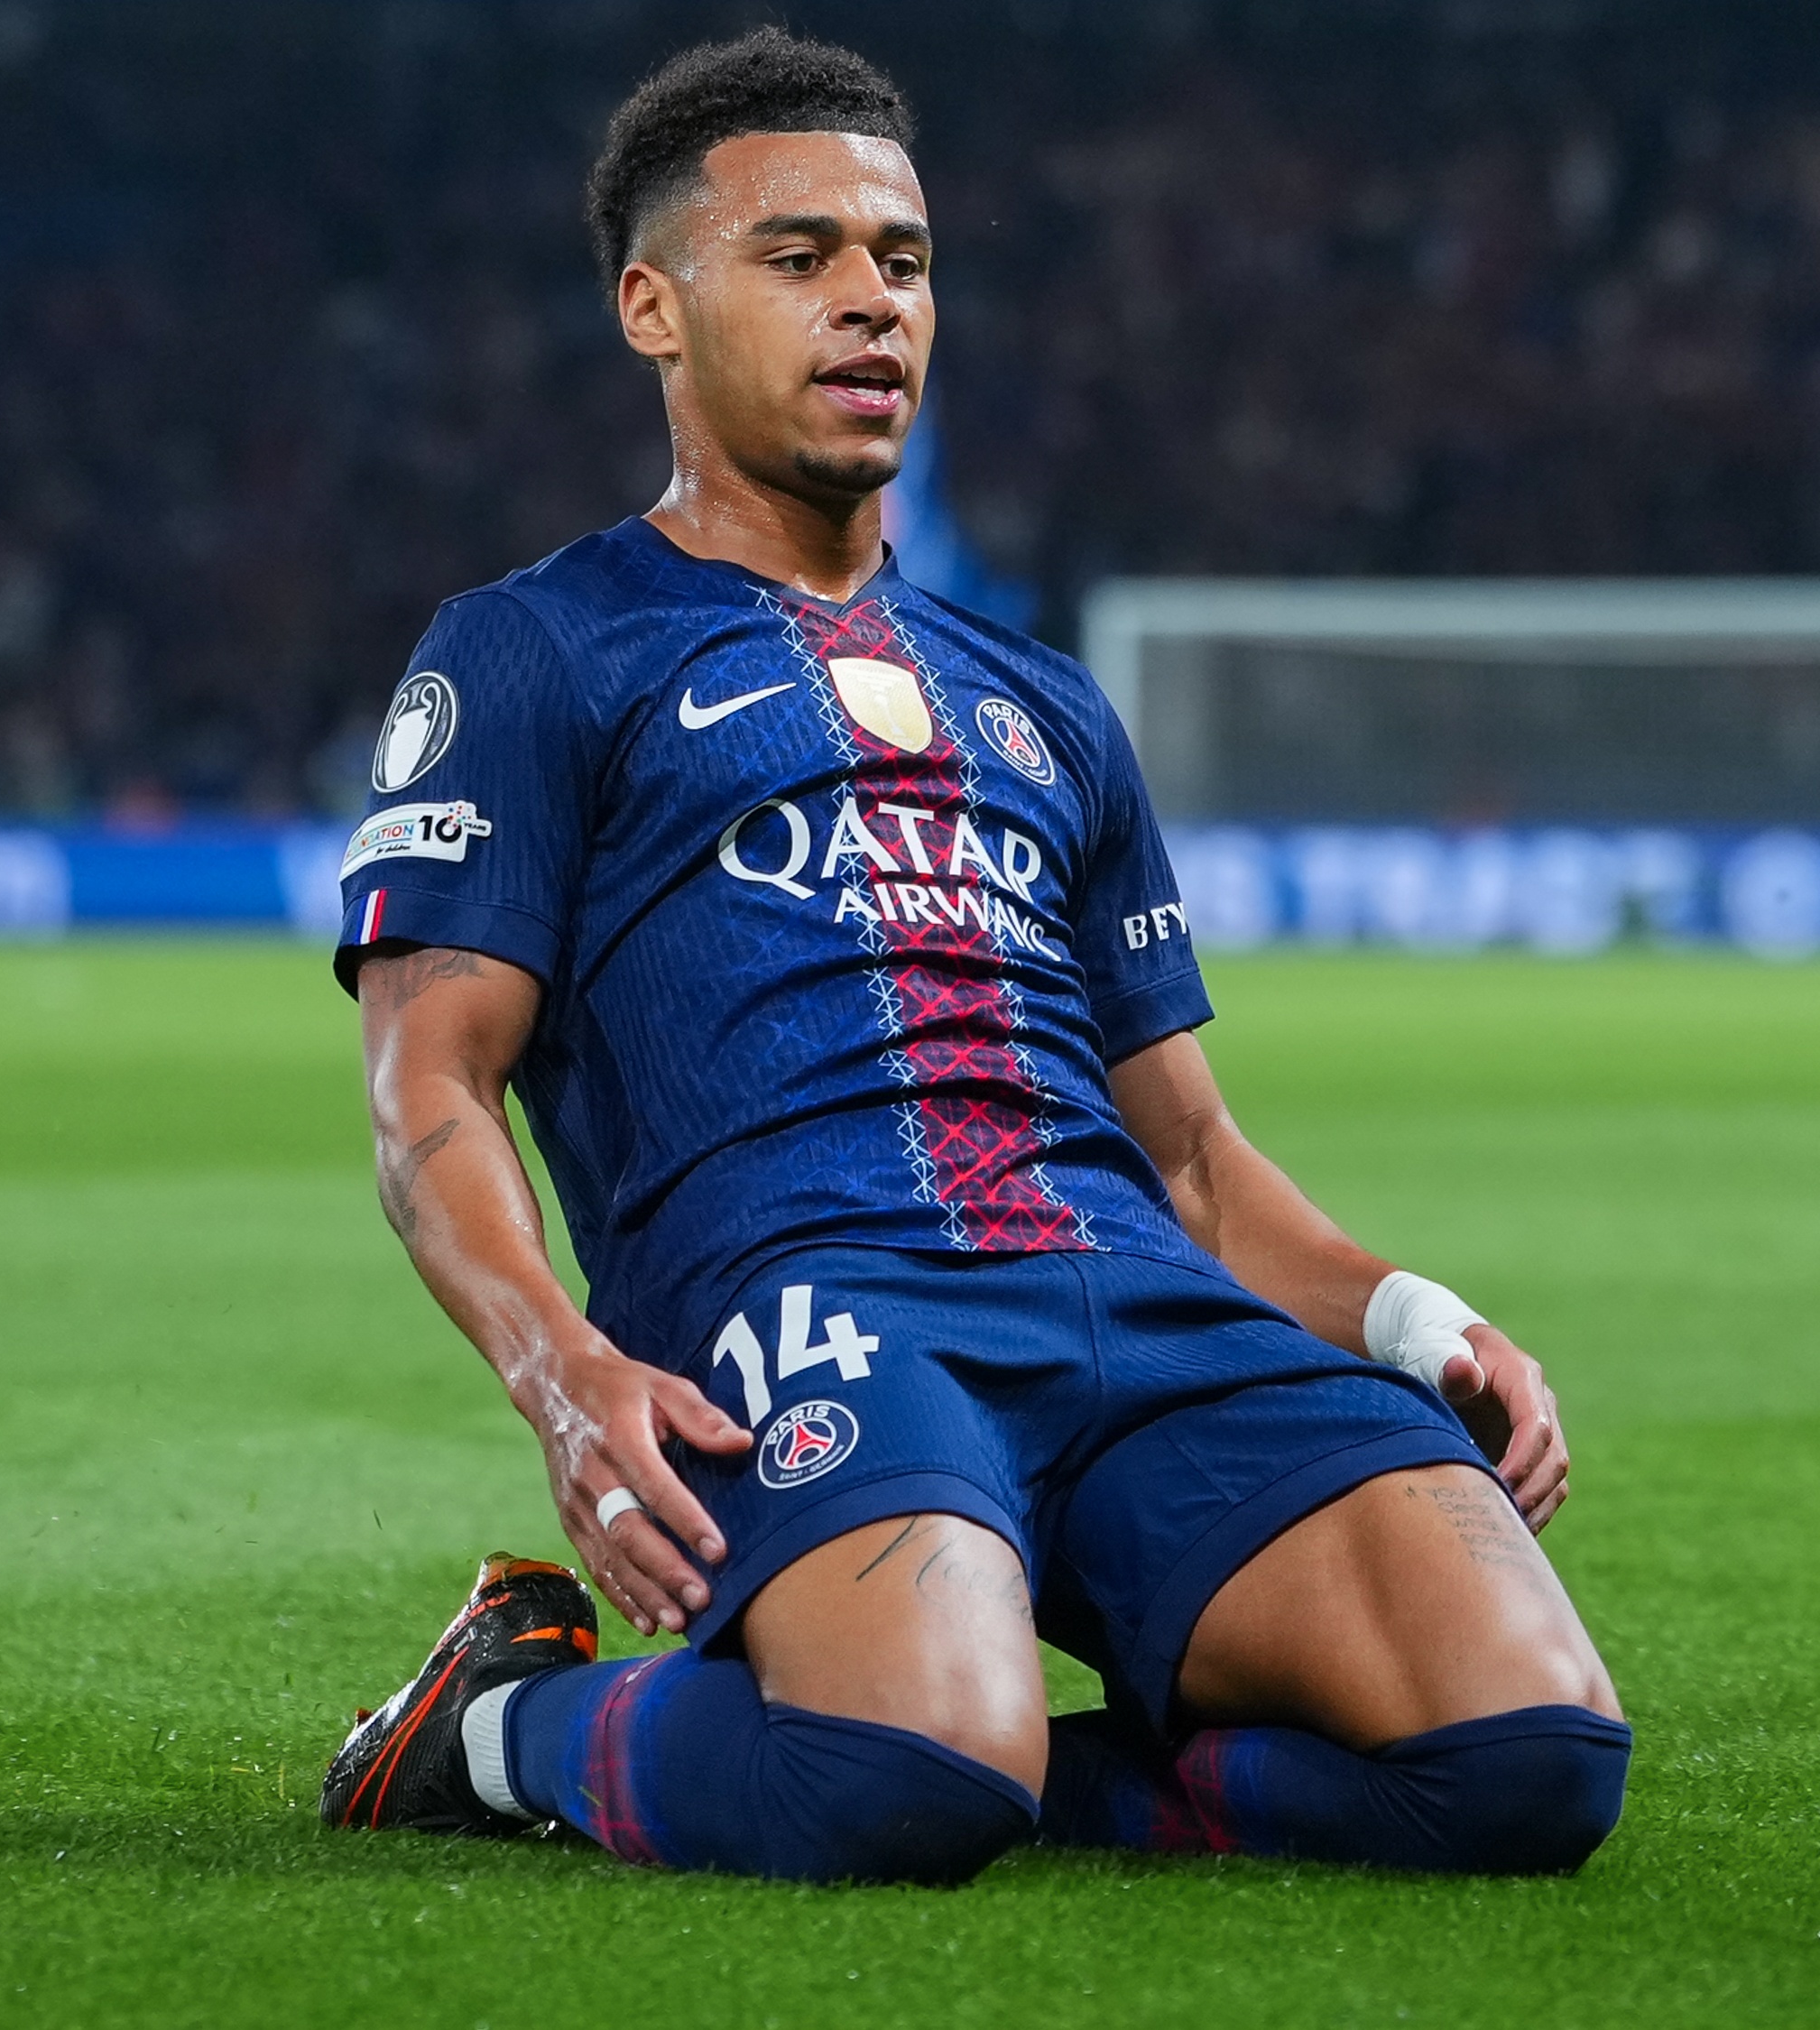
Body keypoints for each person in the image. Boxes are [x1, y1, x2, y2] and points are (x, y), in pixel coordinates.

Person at [323, 27, 1623, 1886]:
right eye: (799, 259)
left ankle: (1030, 1766)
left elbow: (1184, 1157)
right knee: (905, 1782)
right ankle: (494, 1728)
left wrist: (1413, 1316)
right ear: (653, 308)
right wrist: (559, 1371)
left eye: (902, 260)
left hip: (1125, 1299)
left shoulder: (1044, 709)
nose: (869, 305)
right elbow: (426, 1082)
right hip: (814, 1299)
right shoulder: (535, 651)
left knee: (1526, 1758)